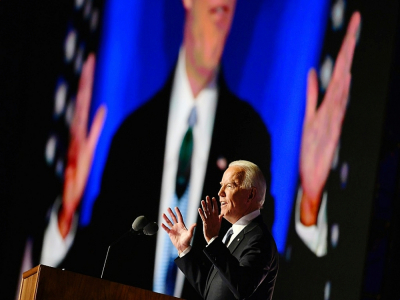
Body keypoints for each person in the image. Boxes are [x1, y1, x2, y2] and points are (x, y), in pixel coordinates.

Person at [31, 0, 361, 298]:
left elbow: (258, 276)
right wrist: (66, 216)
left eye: (228, 186)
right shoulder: (133, 134)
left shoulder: (252, 135)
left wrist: (311, 203)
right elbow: (99, 251)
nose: (219, 193)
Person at [162, 160, 278, 300]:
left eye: (229, 186)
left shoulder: (259, 238)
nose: (220, 193)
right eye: (221, 186)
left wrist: (213, 240)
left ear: (251, 195)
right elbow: (209, 288)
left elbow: (243, 287)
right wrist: (184, 249)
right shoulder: (234, 234)